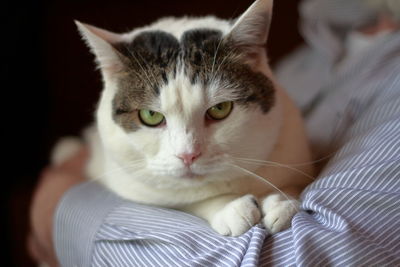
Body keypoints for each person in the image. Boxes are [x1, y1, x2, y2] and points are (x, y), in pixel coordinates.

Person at [29, 0, 400, 266]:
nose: (186, 150)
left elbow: (289, 255)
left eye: (218, 110)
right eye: (152, 117)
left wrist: (58, 201)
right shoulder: (309, 58)